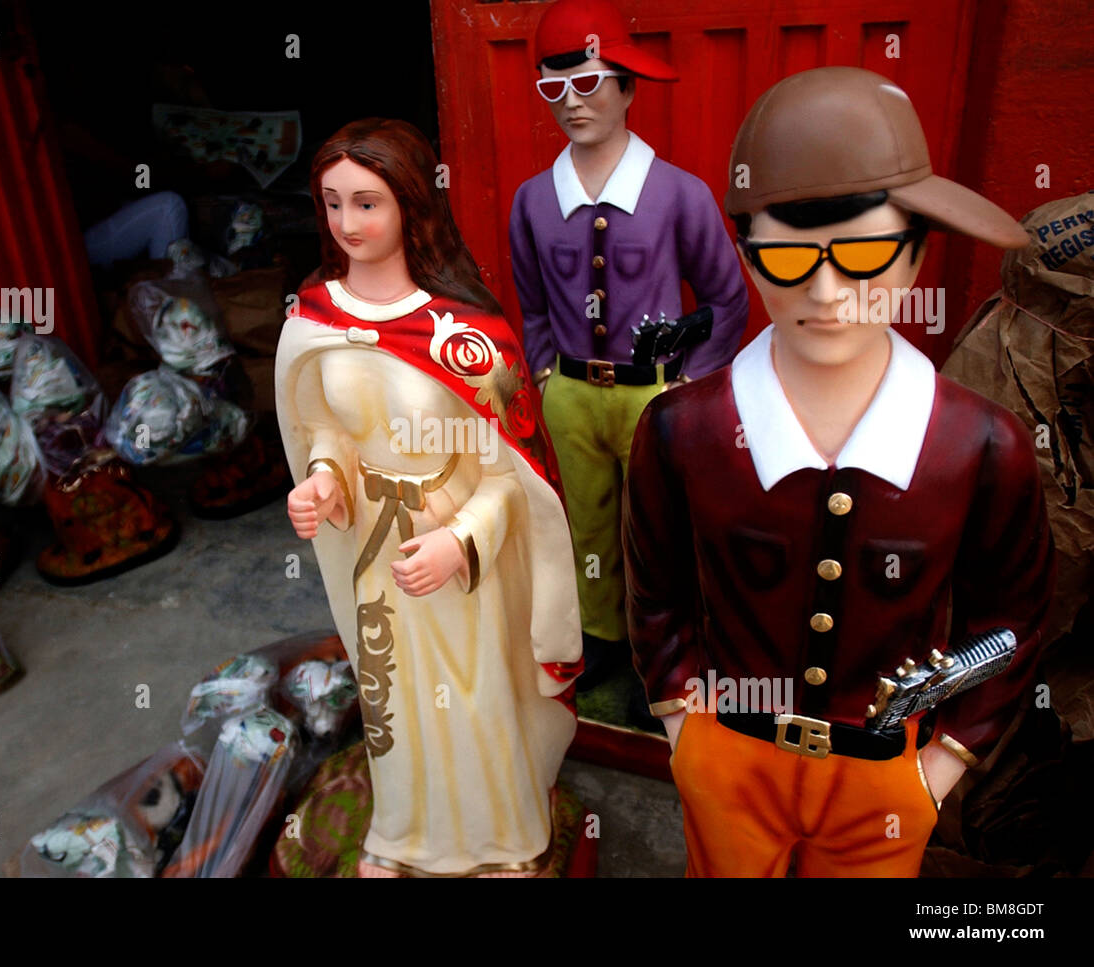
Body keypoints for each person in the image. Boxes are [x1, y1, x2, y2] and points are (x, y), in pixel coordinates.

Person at [624, 67, 1056, 876]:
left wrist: (943, 765)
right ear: (746, 254)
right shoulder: (682, 429)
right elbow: (657, 591)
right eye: (785, 258)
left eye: (863, 253)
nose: (826, 291)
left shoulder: (981, 445)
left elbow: (1012, 619)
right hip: (730, 760)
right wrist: (686, 727)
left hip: (887, 775)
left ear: (920, 250)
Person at [276, 118, 581, 877]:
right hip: (376, 548)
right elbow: (325, 429)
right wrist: (322, 481)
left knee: (474, 694)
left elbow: (516, 478)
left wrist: (460, 542)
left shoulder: (469, 336)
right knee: (390, 696)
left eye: (368, 203)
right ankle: (407, 833)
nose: (348, 224)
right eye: (333, 204)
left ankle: (501, 838)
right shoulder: (314, 318)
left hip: (457, 552)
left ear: (412, 205)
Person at [509, 0, 748, 701]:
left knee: (659, 531)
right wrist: (548, 373)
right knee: (584, 531)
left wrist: (692, 380)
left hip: (656, 393)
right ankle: (602, 649)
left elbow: (726, 297)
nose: (572, 103)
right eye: (554, 87)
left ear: (629, 86)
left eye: (589, 83)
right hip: (573, 395)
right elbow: (533, 303)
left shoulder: (679, 193)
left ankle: (665, 659)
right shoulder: (532, 200)